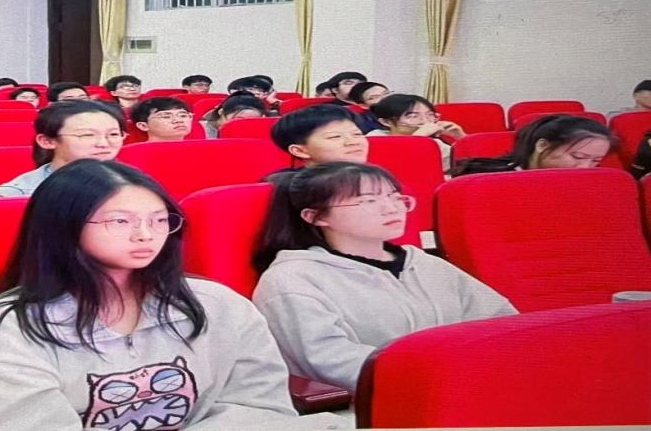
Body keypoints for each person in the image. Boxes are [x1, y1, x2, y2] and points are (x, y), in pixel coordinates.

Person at [0, 160, 297, 430]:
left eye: (159, 219)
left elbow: (260, 408)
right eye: (120, 221)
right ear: (64, 227)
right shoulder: (3, 331)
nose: (146, 235)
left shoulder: (217, 304)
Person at [252, 162, 516, 393]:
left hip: (473, 386)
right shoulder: (292, 280)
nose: (391, 208)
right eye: (368, 201)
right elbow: (330, 362)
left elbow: (500, 321)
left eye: (395, 197)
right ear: (316, 216)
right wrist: (447, 374)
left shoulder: (425, 263)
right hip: (374, 405)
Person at [0, 100, 125, 197]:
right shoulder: (17, 194)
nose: (103, 143)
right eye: (87, 135)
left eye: (113, 134)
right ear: (47, 141)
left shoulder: (132, 182)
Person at [454, 114, 614, 176]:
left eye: (596, 161)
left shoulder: (594, 185)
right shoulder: (488, 178)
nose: (585, 168)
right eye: (577, 157)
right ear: (542, 145)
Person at [369, 94, 465, 174]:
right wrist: (417, 139)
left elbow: (465, 167)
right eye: (413, 116)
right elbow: (389, 170)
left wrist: (462, 138)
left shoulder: (433, 142)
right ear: (386, 122)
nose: (425, 121)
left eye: (430, 115)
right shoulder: (374, 138)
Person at [270, 105, 368, 166]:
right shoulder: (295, 188)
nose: (353, 142)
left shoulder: (373, 177)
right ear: (300, 151)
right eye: (335, 136)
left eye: (357, 134)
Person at [202, 92, 267, 138]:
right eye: (238, 120)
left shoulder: (253, 132)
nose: (243, 125)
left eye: (250, 122)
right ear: (221, 112)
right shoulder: (201, 130)